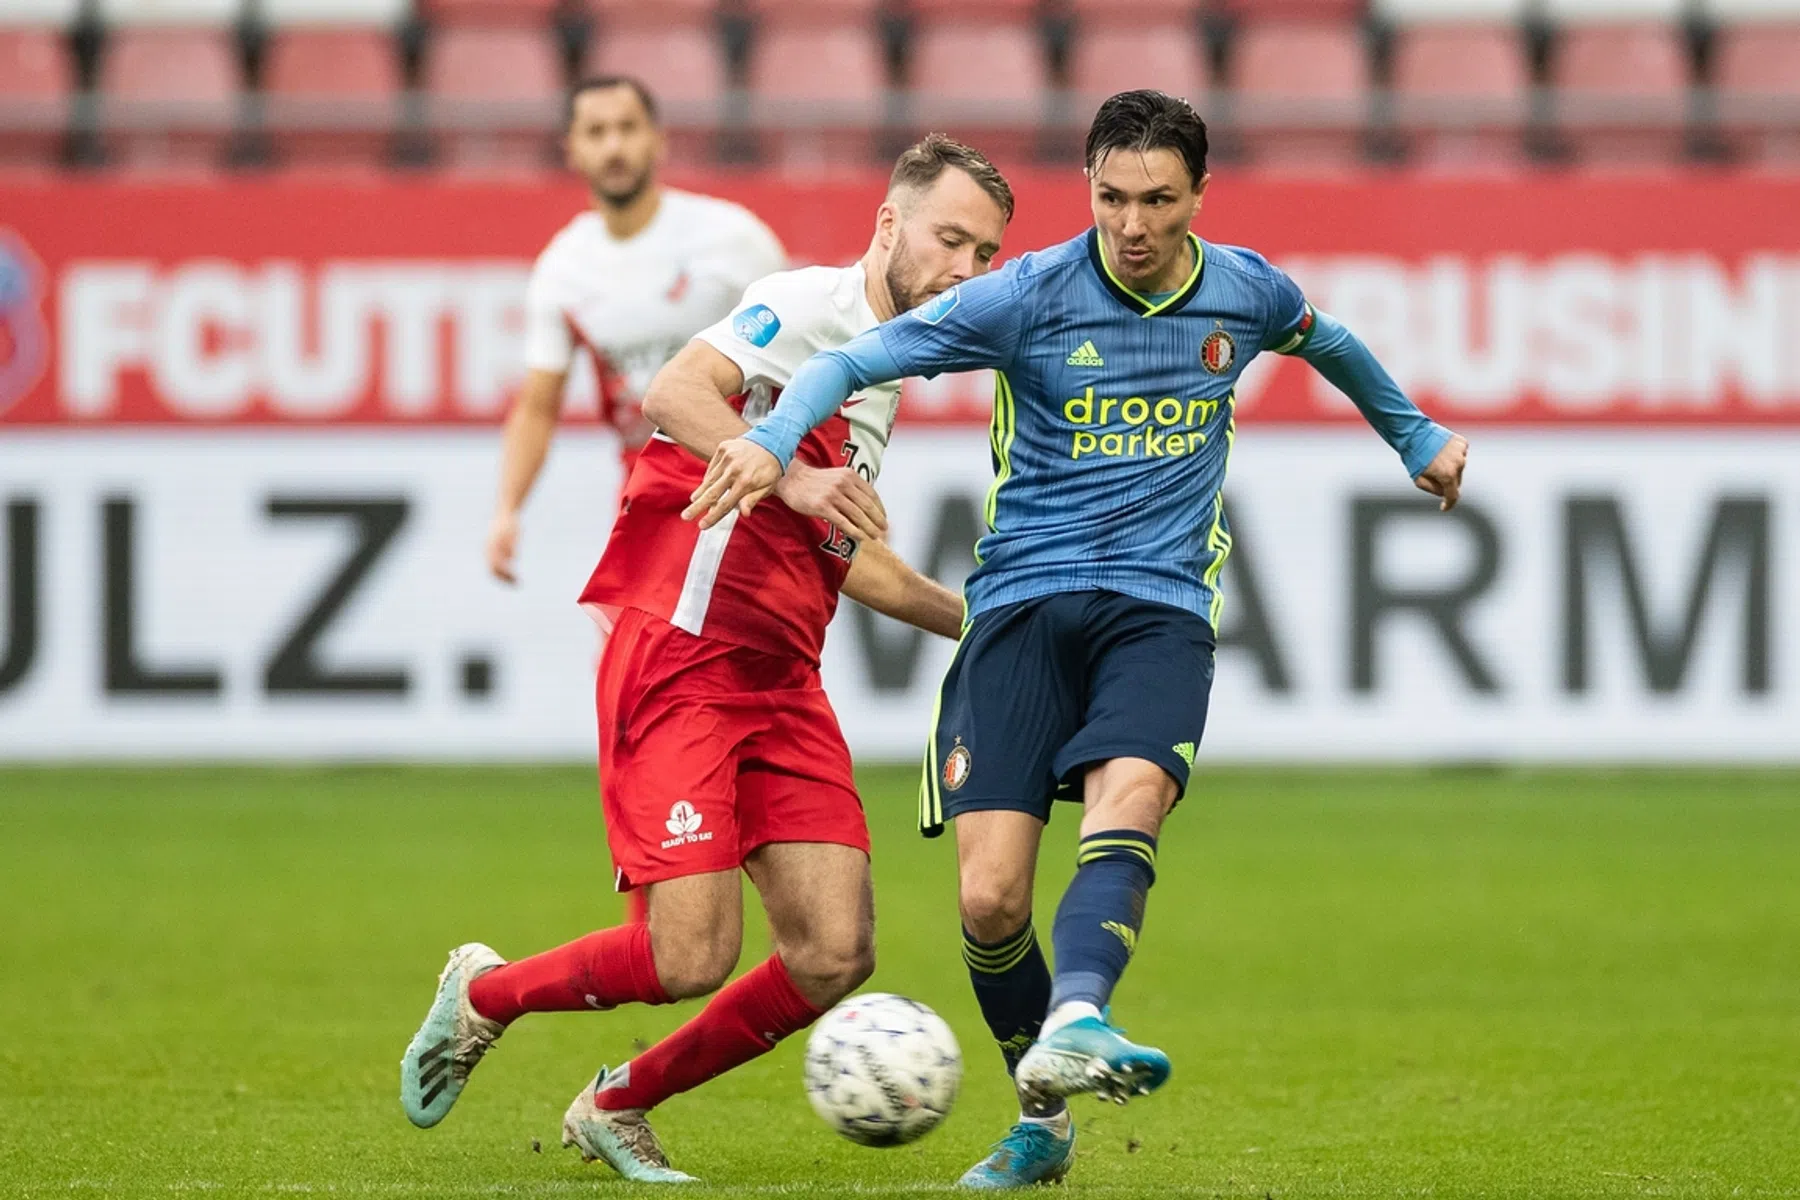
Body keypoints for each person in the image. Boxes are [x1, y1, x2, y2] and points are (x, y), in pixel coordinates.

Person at [687, 90, 1472, 1190]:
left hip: (1159, 606)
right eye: (1111, 197)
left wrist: (1416, 436)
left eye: (1157, 200)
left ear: (1199, 196)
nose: (1132, 224)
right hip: (1019, 608)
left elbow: (1326, 340)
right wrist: (774, 441)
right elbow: (850, 363)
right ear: (1090, 189)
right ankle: (1044, 1117)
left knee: (1133, 791)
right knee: (990, 900)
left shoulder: (1244, 290)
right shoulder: (1026, 294)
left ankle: (1083, 1014)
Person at [401, 135, 1017, 1186]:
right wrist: (792, 478)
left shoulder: (888, 369)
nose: (967, 269)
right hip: (681, 654)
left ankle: (617, 1103)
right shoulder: (808, 308)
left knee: (833, 953)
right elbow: (678, 394)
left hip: (783, 680)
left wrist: (979, 620)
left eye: (987, 253)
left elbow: (849, 559)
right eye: (950, 239)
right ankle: (484, 995)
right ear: (888, 226)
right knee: (688, 955)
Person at [485, 75, 785, 588]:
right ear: (572, 150)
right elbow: (538, 405)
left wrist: (843, 470)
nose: (614, 146)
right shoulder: (564, 268)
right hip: (646, 485)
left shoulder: (732, 239)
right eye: (596, 132)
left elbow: (816, 347)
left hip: (745, 474)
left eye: (627, 128)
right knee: (627, 657)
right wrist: (507, 510)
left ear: (658, 139)